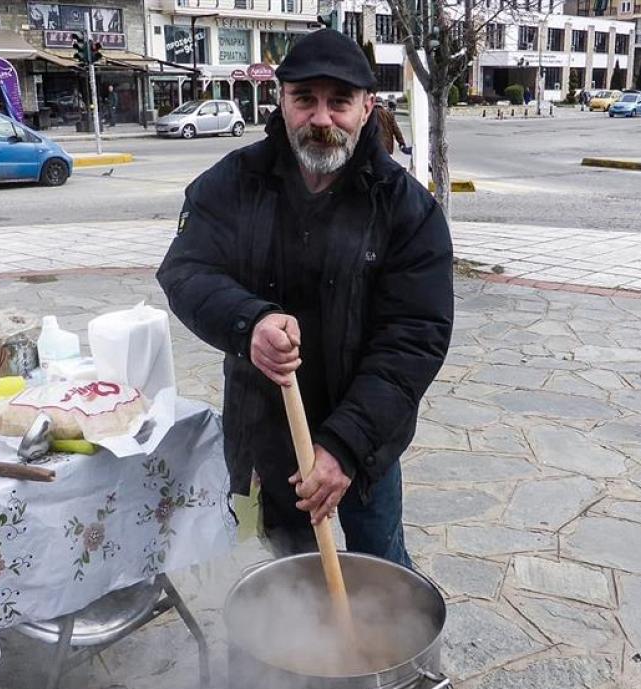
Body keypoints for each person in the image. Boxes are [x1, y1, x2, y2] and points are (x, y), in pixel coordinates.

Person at [156, 29, 454, 567]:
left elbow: (414, 338)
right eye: (305, 99)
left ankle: (386, 651)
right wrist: (250, 325)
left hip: (365, 440)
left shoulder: (406, 211)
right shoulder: (232, 183)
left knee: (381, 565)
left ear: (366, 108)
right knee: (280, 574)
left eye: (339, 101)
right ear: (282, 101)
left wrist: (344, 447)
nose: (322, 118)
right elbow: (185, 270)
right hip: (265, 434)